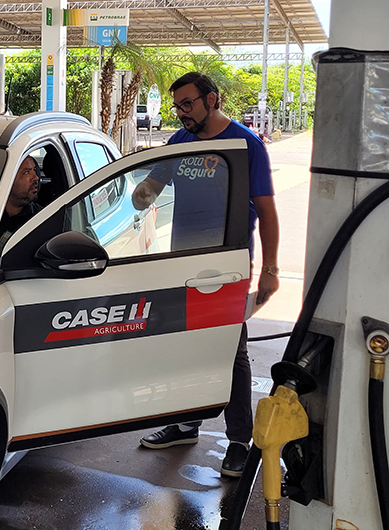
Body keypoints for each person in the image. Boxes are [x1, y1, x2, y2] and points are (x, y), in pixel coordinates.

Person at [133, 72, 280, 478]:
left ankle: (239, 441)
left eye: (188, 104)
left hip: (227, 264)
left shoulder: (245, 144)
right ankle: (185, 425)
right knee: (186, 344)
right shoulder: (179, 142)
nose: (181, 113)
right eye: (177, 106)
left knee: (230, 349)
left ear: (211, 99)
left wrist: (270, 270)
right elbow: (149, 188)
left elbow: (267, 211)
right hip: (184, 261)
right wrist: (141, 192)